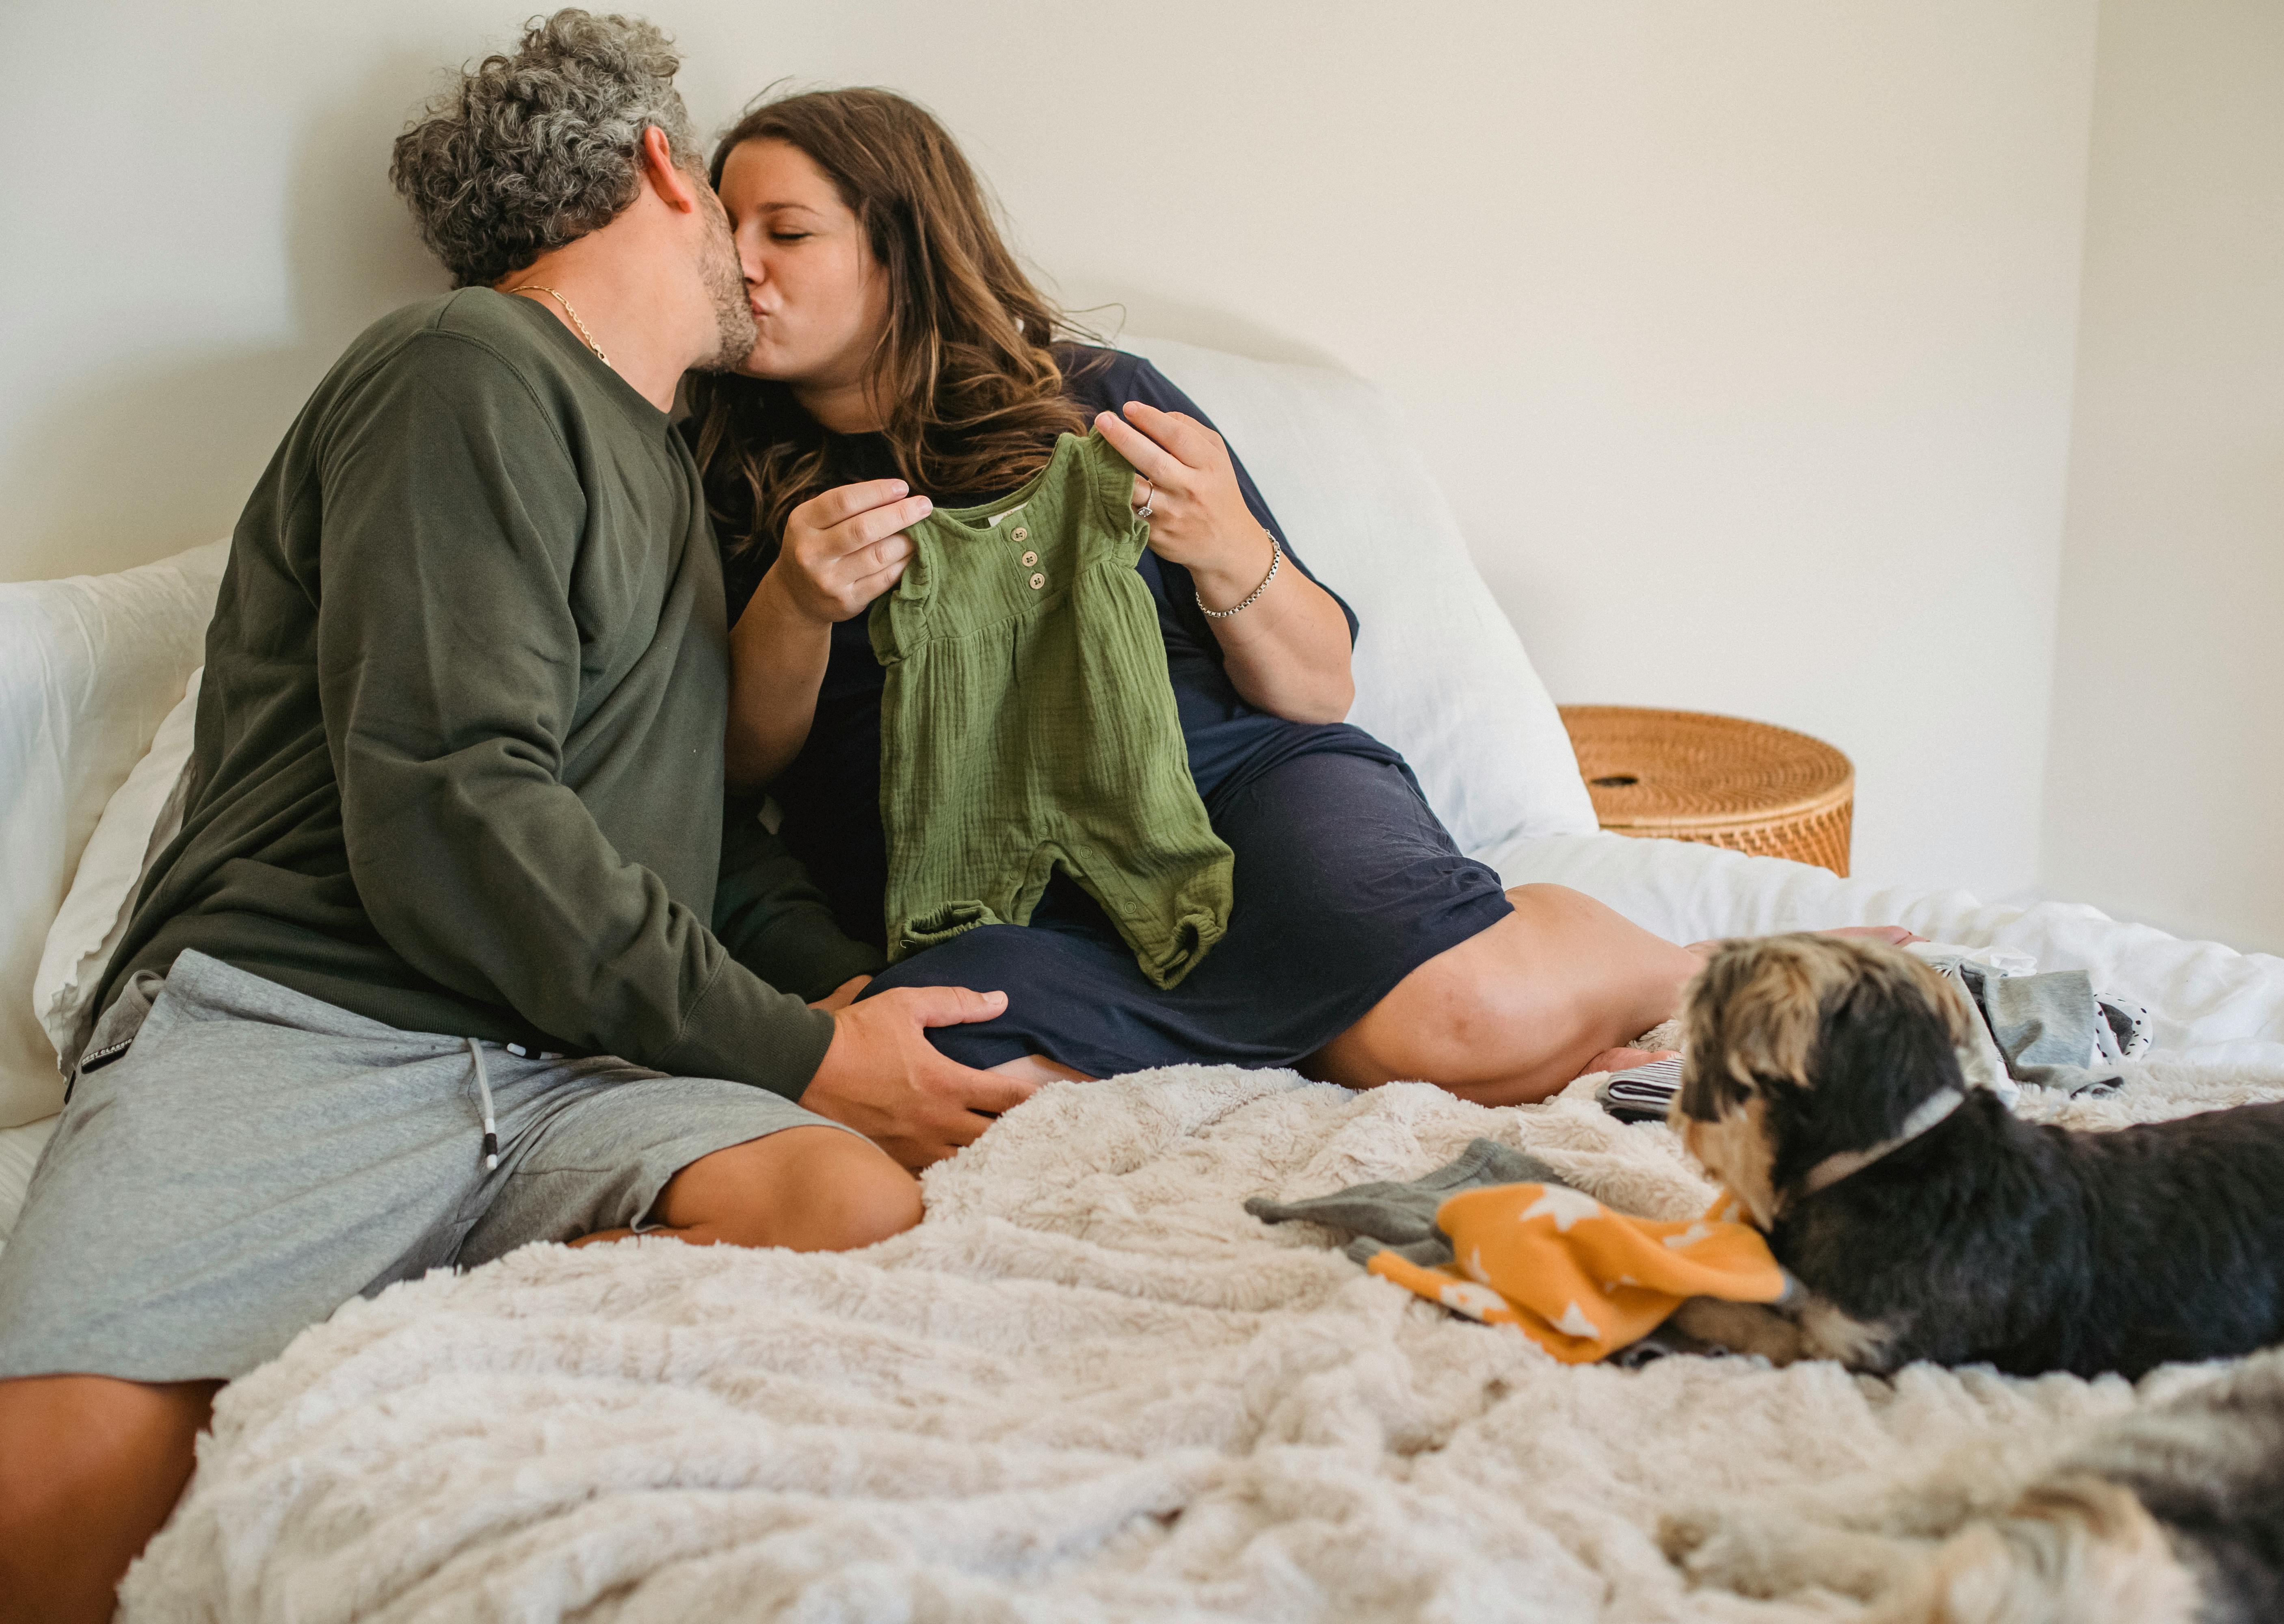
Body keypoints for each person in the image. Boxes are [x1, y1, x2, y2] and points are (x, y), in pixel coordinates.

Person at [0, 18, 1031, 1620]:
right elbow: (456, 806)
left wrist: (857, 994)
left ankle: (377, 1373)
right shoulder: (465, 365)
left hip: (560, 1068)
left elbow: (679, 840)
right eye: (737, 218)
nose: (759, 268)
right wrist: (807, 1054)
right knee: (52, 1512)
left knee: (848, 1203)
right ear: (658, 165)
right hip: (307, 1023)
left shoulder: (670, 483)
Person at [699, 90, 1895, 1107]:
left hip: (1239, 801)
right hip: (981, 880)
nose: (739, 262)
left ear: (898, 248)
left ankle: (1679, 970)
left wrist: (1227, 548)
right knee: (941, 1064)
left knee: (1464, 1024)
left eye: (786, 232)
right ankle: (1333, 1022)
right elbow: (739, 772)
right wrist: (798, 605)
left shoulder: (1098, 402)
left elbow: (1320, 685)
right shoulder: (719, 471)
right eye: (726, 228)